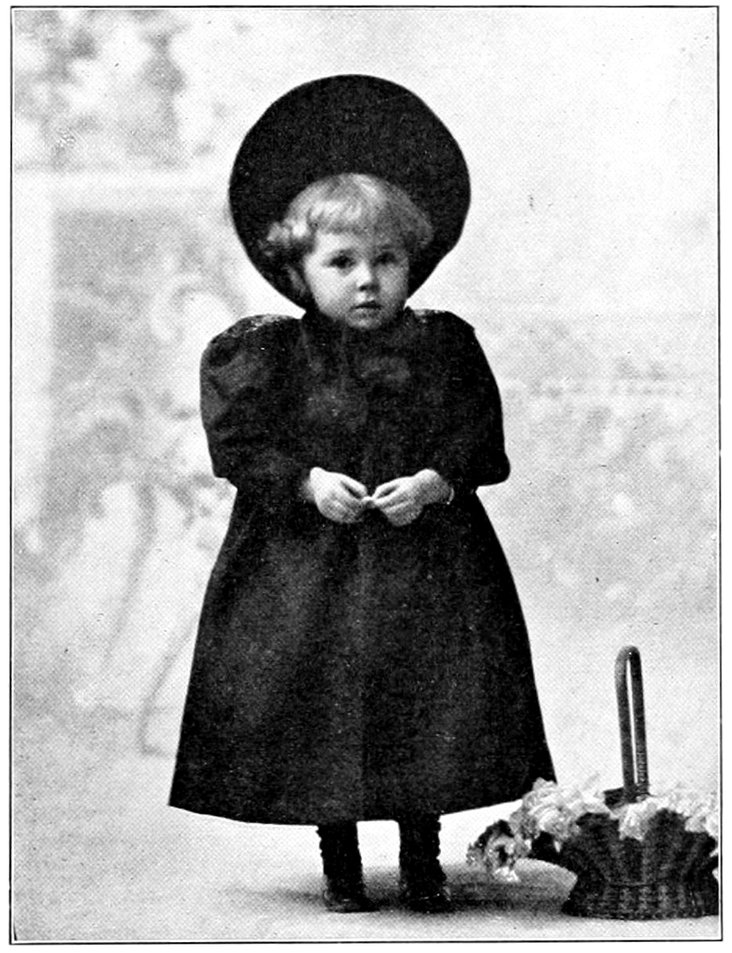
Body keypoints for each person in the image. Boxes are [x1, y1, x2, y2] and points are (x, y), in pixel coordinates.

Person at [170, 75, 554, 914]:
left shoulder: (444, 346)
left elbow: (477, 438)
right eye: (342, 263)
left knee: (425, 695)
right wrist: (306, 482)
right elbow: (240, 447)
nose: (369, 281)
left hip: (428, 565)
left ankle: (423, 858)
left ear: (413, 261)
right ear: (298, 270)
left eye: (387, 260)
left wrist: (436, 480)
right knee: (324, 701)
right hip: (307, 568)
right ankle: (340, 860)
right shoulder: (269, 355)